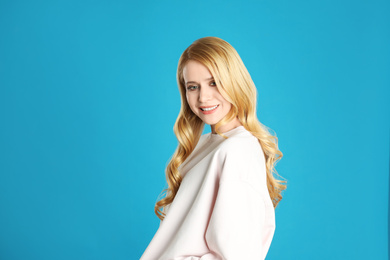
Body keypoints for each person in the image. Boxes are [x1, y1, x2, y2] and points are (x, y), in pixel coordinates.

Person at [140, 36, 286, 260]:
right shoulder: (208, 144)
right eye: (193, 87)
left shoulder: (236, 150)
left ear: (234, 82)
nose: (203, 97)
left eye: (214, 82)